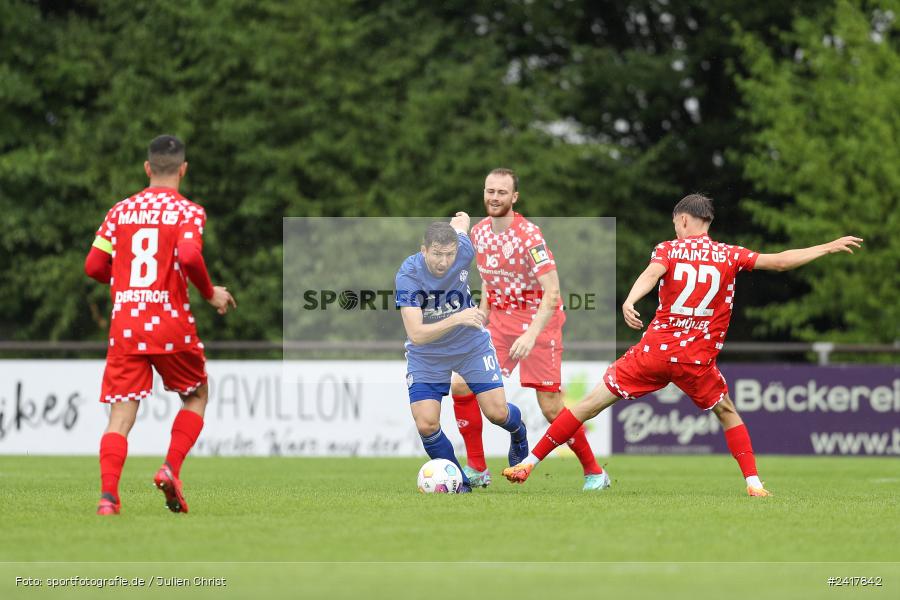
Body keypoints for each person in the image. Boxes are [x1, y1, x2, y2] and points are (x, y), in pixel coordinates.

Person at [502, 194, 862, 496]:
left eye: (676, 222)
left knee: (586, 406)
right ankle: (753, 483)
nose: (675, 228)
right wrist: (827, 247)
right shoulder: (730, 254)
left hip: (654, 353)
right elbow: (781, 262)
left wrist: (630, 300)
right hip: (696, 361)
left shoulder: (669, 249)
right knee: (728, 413)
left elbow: (651, 273)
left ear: (685, 220)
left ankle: (529, 464)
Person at [85, 135, 236, 515]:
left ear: (148, 168)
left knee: (121, 414)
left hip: (126, 324)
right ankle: (170, 468)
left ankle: (107, 499)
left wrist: (123, 282)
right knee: (197, 394)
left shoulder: (119, 211)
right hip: (170, 323)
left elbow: (92, 266)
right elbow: (188, 254)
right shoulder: (188, 211)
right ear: (183, 170)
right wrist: (208, 292)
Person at [450, 168, 607, 491]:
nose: (494, 197)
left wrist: (531, 334)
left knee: (551, 407)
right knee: (461, 385)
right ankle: (477, 468)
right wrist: (481, 315)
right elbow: (489, 280)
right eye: (490, 191)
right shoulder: (479, 233)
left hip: (540, 324)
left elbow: (552, 292)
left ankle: (594, 472)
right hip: (499, 323)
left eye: (501, 192)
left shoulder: (529, 236)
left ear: (514, 197)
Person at [396, 215, 529, 493]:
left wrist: (462, 219)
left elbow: (461, 225)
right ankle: (461, 482)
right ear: (423, 251)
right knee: (426, 423)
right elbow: (417, 334)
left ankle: (518, 433)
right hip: (427, 353)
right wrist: (457, 318)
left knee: (496, 413)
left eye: (449, 254)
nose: (443, 261)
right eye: (436, 254)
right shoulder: (408, 276)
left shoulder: (464, 249)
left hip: (471, 345)